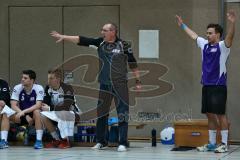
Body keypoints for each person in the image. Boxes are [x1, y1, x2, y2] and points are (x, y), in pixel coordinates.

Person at [50, 23, 141, 152]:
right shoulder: (100, 43)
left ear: (113, 32)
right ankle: (101, 142)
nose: (101, 32)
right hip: (104, 84)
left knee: (122, 113)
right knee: (102, 113)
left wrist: (138, 81)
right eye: (102, 30)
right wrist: (63, 37)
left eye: (104, 30)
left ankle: (123, 143)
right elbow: (81, 39)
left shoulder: (124, 45)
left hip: (120, 85)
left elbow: (133, 64)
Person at [176, 10, 236, 153]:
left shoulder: (223, 46)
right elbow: (193, 35)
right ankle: (211, 143)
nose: (207, 35)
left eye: (210, 33)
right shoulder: (204, 45)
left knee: (220, 114)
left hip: (218, 86)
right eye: (207, 33)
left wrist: (232, 23)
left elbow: (230, 37)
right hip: (207, 86)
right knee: (209, 114)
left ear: (217, 34)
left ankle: (224, 144)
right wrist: (182, 25)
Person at [0, 70, 44, 149]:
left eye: (25, 78)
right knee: (5, 112)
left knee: (37, 112)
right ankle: (3, 141)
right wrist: (23, 115)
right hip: (20, 114)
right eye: (22, 77)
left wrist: (23, 112)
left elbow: (38, 105)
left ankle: (39, 141)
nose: (22, 79)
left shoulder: (38, 88)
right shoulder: (18, 87)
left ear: (32, 80)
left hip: (33, 116)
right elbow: (13, 105)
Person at [41, 68, 80, 149]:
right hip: (56, 112)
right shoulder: (48, 88)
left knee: (62, 113)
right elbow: (45, 104)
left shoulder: (67, 88)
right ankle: (57, 139)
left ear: (58, 79)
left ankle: (65, 141)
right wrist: (49, 108)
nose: (48, 81)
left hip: (73, 114)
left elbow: (66, 106)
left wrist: (50, 108)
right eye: (48, 78)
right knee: (43, 115)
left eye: (51, 78)